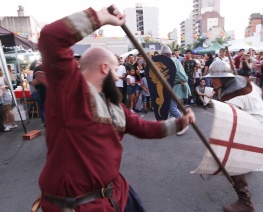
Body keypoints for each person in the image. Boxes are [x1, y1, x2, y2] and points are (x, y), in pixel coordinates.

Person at [35, 6, 195, 212]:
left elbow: (145, 128)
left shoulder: (115, 106)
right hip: (79, 205)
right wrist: (100, 17)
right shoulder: (70, 90)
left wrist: (180, 122)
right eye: (114, 70)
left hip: (116, 191)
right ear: (103, 68)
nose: (118, 76)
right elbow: (50, 38)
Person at [205, 60, 263, 212]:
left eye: (215, 77)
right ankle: (246, 164)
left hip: (253, 128)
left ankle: (245, 201)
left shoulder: (230, 98)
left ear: (225, 78)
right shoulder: (243, 80)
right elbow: (259, 92)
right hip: (260, 120)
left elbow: (228, 127)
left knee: (230, 160)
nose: (211, 81)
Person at [160, 45, 191, 136]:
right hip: (176, 86)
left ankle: (184, 124)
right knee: (172, 107)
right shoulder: (175, 60)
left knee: (173, 109)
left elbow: (180, 77)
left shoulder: (170, 62)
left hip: (178, 86)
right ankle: (175, 124)